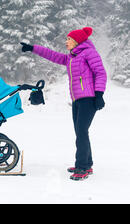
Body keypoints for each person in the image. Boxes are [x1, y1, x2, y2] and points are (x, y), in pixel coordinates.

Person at [20, 27, 107, 181]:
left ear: (77, 41)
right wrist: (32, 48)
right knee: (81, 132)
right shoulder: (71, 57)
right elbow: (52, 55)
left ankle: (82, 167)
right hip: (77, 99)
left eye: (68, 39)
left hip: (89, 98)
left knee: (81, 132)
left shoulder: (89, 53)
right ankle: (87, 163)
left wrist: (99, 94)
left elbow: (100, 73)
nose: (66, 42)